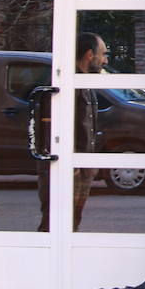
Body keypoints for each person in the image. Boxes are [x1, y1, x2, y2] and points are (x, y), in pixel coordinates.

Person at [38, 31, 106, 232]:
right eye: (102, 54)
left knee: (72, 222)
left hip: (81, 167)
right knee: (54, 224)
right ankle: (44, 262)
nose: (105, 59)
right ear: (89, 55)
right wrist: (70, 165)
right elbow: (52, 126)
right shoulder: (64, 83)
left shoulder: (84, 83)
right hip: (68, 168)